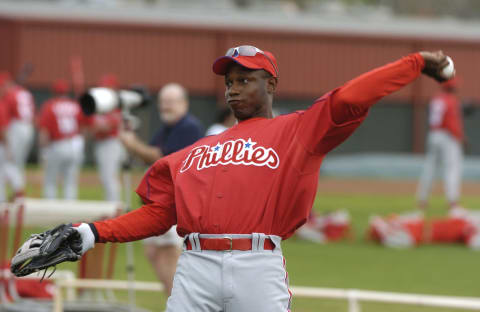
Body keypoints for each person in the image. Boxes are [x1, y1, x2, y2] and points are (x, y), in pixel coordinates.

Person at [35, 46, 451, 310]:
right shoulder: (197, 150)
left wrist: (415, 63)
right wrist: (90, 233)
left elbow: (349, 97)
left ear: (271, 84)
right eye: (230, 82)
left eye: (246, 80)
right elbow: (160, 214)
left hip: (256, 264)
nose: (234, 89)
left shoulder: (298, 130)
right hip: (194, 265)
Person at [119, 82, 203, 298]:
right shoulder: (167, 129)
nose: (166, 106)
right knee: (153, 251)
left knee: (168, 255)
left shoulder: (188, 128)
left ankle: (181, 303)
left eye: (171, 102)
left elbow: (160, 158)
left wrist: (131, 143)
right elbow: (151, 155)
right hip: (161, 202)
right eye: (163, 102)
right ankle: (174, 300)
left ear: (184, 103)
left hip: (174, 204)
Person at [416, 77, 464, 210]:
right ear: (451, 87)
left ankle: (422, 200)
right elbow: (451, 122)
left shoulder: (435, 99)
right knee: (452, 168)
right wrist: (460, 138)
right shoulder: (451, 100)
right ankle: (453, 202)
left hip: (433, 134)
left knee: (429, 168)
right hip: (447, 136)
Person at [37, 79, 85, 199]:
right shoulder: (76, 105)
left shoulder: (50, 105)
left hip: (58, 144)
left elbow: (44, 132)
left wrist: (43, 150)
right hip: (75, 144)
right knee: (70, 181)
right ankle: (70, 212)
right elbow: (84, 127)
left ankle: (49, 210)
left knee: (50, 180)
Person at [84, 74, 126, 202]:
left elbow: (110, 126)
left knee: (109, 177)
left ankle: (114, 207)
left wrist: (96, 127)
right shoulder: (100, 104)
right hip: (102, 143)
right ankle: (111, 206)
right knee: (105, 178)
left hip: (111, 143)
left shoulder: (115, 104)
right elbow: (91, 127)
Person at [0, 71, 35, 200]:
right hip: (28, 127)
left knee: (9, 163)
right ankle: (17, 192)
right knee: (16, 163)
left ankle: (18, 192)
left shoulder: (8, 96)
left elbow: (3, 125)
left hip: (16, 127)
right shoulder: (24, 92)